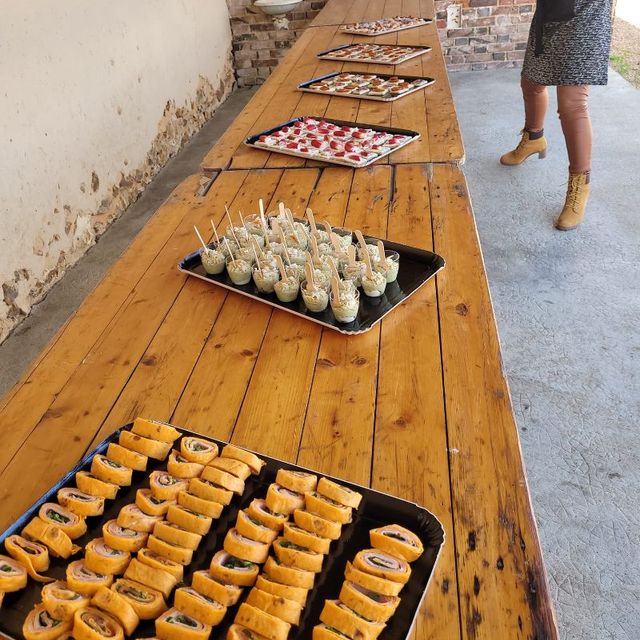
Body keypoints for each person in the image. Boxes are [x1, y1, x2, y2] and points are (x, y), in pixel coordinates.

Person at [500, 0, 613, 231]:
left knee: (573, 103)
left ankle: (580, 183)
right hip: (550, 12)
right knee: (531, 82)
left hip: (586, 15)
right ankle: (533, 139)